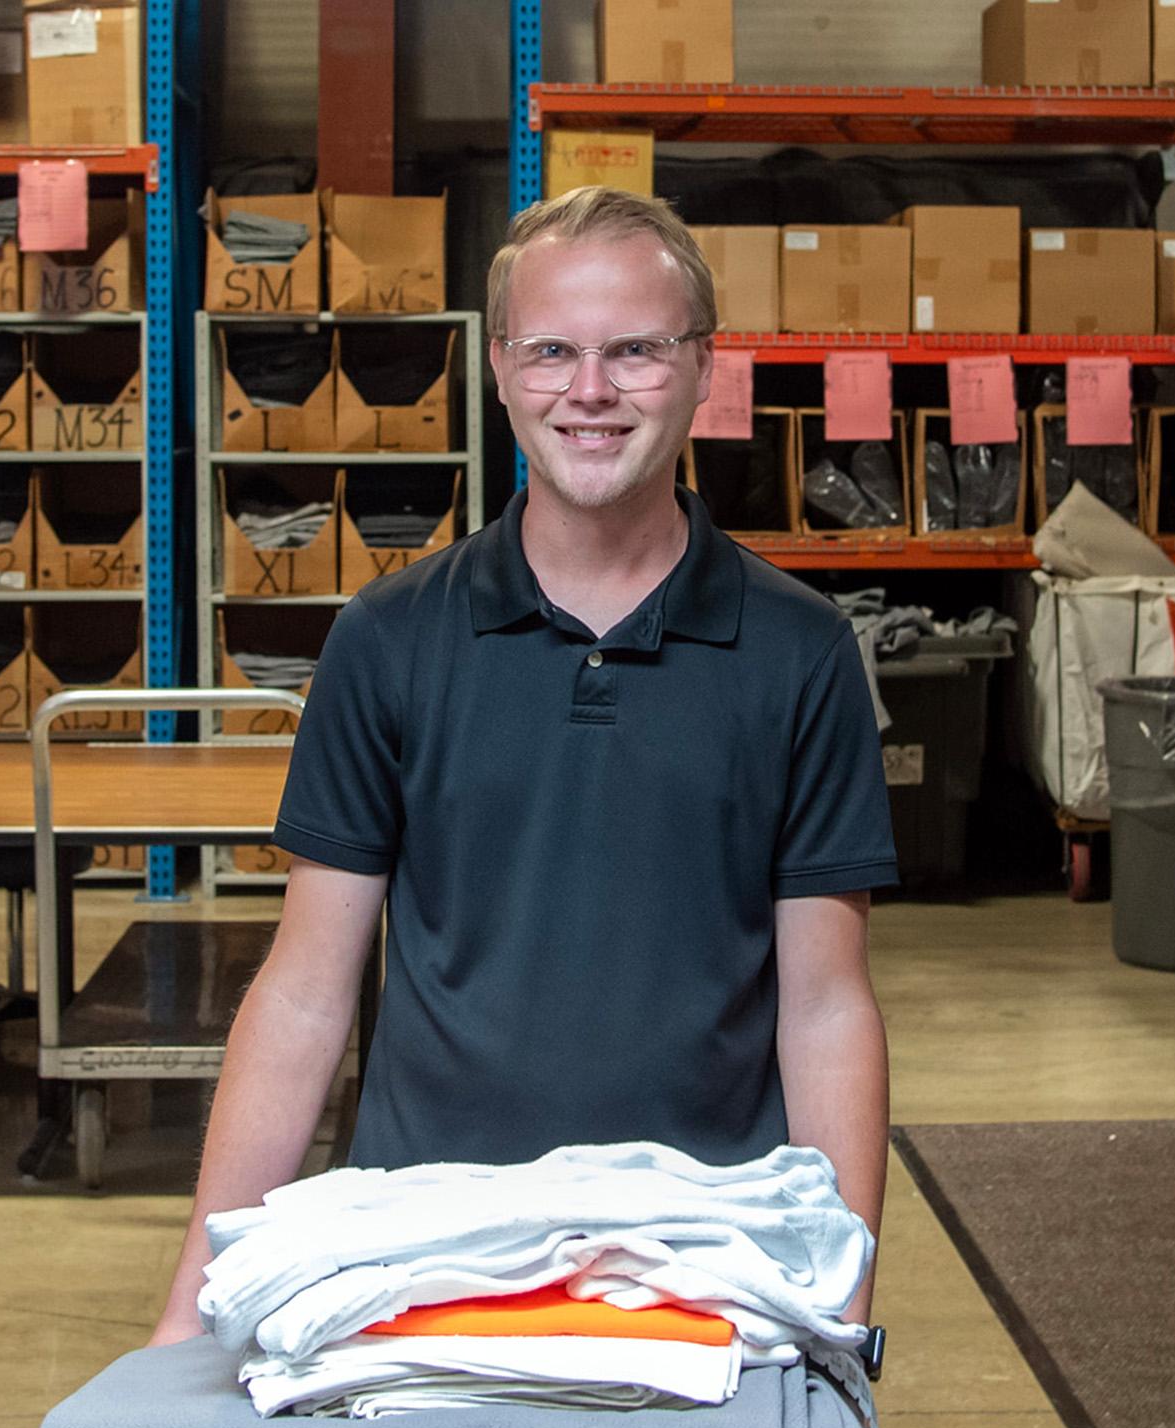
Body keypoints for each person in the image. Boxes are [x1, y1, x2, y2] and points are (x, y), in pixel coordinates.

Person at [150, 186, 899, 1353]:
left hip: (706, 1261)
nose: (589, 392)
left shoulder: (799, 651)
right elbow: (304, 993)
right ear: (499, 371)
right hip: (421, 1252)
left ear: (704, 368)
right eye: (551, 351)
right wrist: (190, 1307)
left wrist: (839, 1325)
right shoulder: (389, 639)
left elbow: (826, 1006)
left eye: (636, 351)